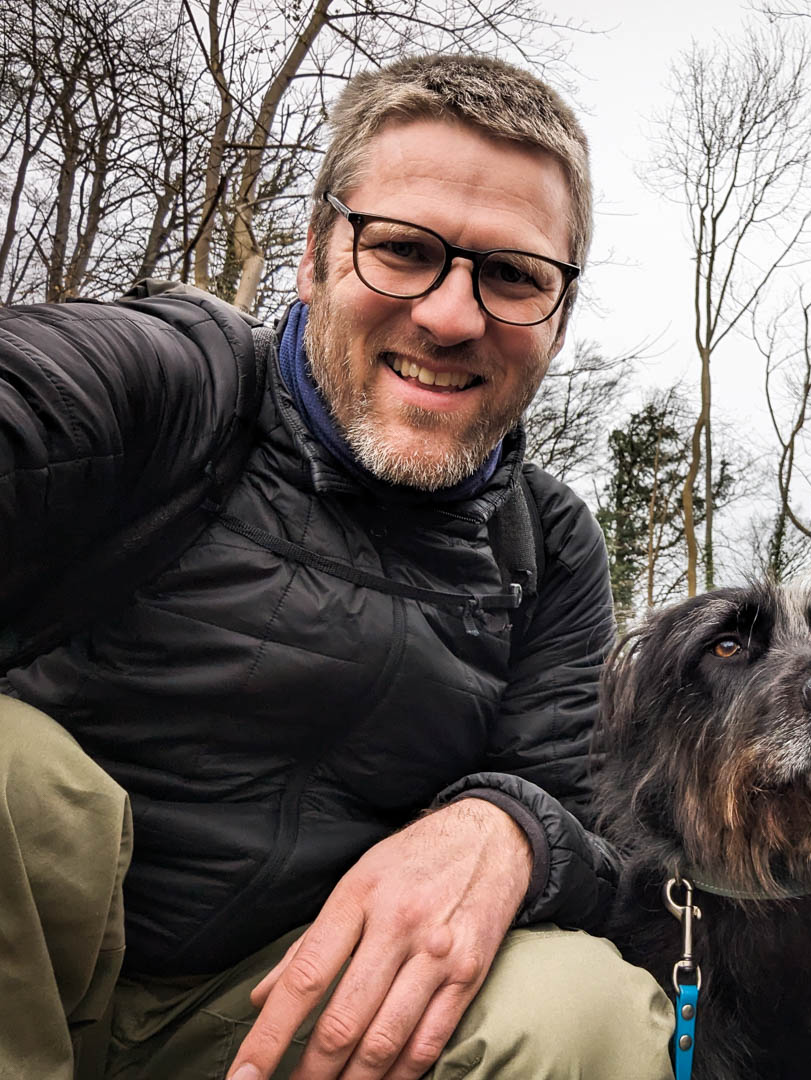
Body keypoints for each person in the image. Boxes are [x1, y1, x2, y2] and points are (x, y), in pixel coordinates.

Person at [0, 53, 673, 1080]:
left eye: (512, 275)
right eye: (402, 249)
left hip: (282, 1023)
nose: (452, 316)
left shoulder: (553, 548)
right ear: (316, 255)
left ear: (559, 315)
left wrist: (514, 826)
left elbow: (588, 834)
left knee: (590, 1010)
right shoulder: (170, 382)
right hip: (24, 969)